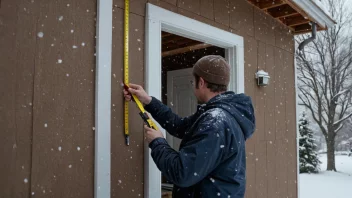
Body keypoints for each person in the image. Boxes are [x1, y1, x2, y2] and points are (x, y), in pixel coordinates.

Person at [123, 55, 255, 198]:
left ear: (202, 82)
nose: (193, 86)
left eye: (193, 81)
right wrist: (148, 102)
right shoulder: (217, 114)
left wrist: (158, 142)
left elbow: (182, 172)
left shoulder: (215, 121)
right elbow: (180, 126)